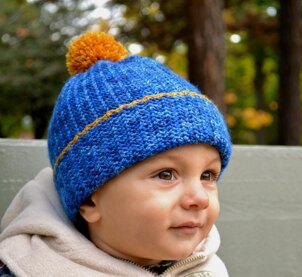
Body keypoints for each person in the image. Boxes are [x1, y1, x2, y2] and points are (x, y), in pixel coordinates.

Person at [0, 31, 232, 276]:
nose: (200, 198)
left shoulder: (207, 267)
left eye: (207, 175)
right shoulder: (27, 270)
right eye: (166, 174)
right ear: (90, 199)